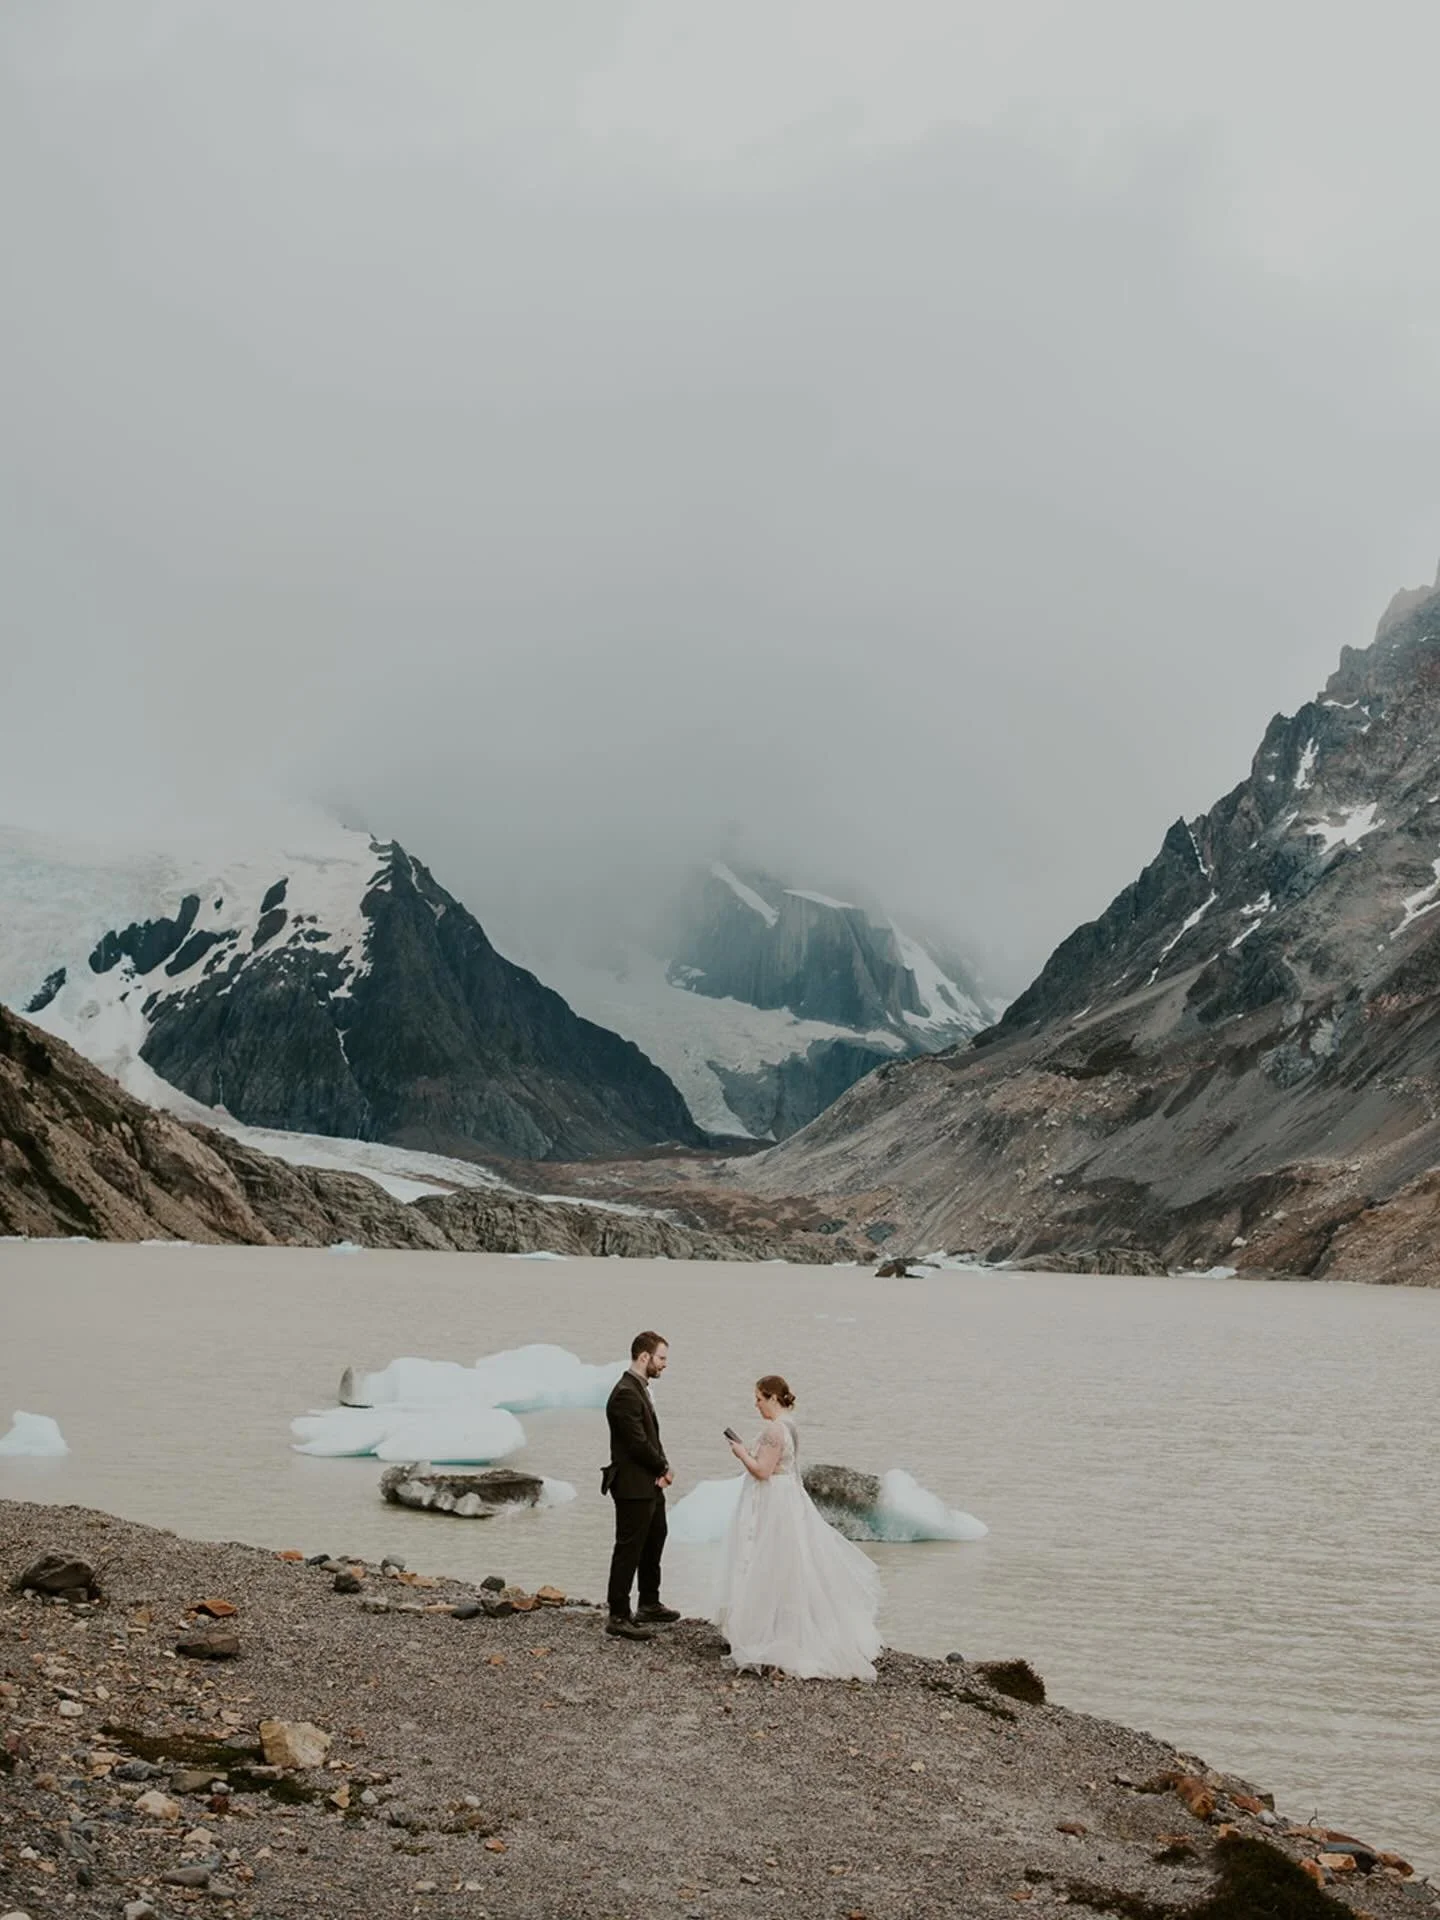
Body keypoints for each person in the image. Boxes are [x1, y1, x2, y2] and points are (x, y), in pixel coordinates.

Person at [715, 1374, 882, 1681]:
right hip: (787, 1498)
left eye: (759, 1398)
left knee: (768, 1564)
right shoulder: (790, 1425)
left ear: (773, 1398)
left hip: (774, 1502)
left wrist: (740, 1453)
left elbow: (763, 1471)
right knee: (788, 1566)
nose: (756, 1405)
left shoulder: (774, 1430)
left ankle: (768, 1634)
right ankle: (781, 1627)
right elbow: (782, 1466)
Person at [603, 1331, 680, 1641]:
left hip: (649, 1482)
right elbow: (636, 1442)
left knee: (655, 1536)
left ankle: (649, 1602)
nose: (664, 1365)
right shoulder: (625, 1393)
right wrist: (662, 1466)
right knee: (628, 1548)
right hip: (633, 1484)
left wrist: (659, 1471)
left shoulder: (639, 1389)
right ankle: (618, 1614)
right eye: (661, 1358)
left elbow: (650, 1438)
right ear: (644, 1357)